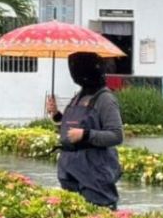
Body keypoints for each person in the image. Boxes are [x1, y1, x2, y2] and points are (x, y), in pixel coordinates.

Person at [45, 52, 124, 209]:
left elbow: (116, 135)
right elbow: (71, 128)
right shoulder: (78, 96)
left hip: (95, 170)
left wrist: (86, 135)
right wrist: (56, 115)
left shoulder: (105, 99)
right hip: (70, 170)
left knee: (98, 215)